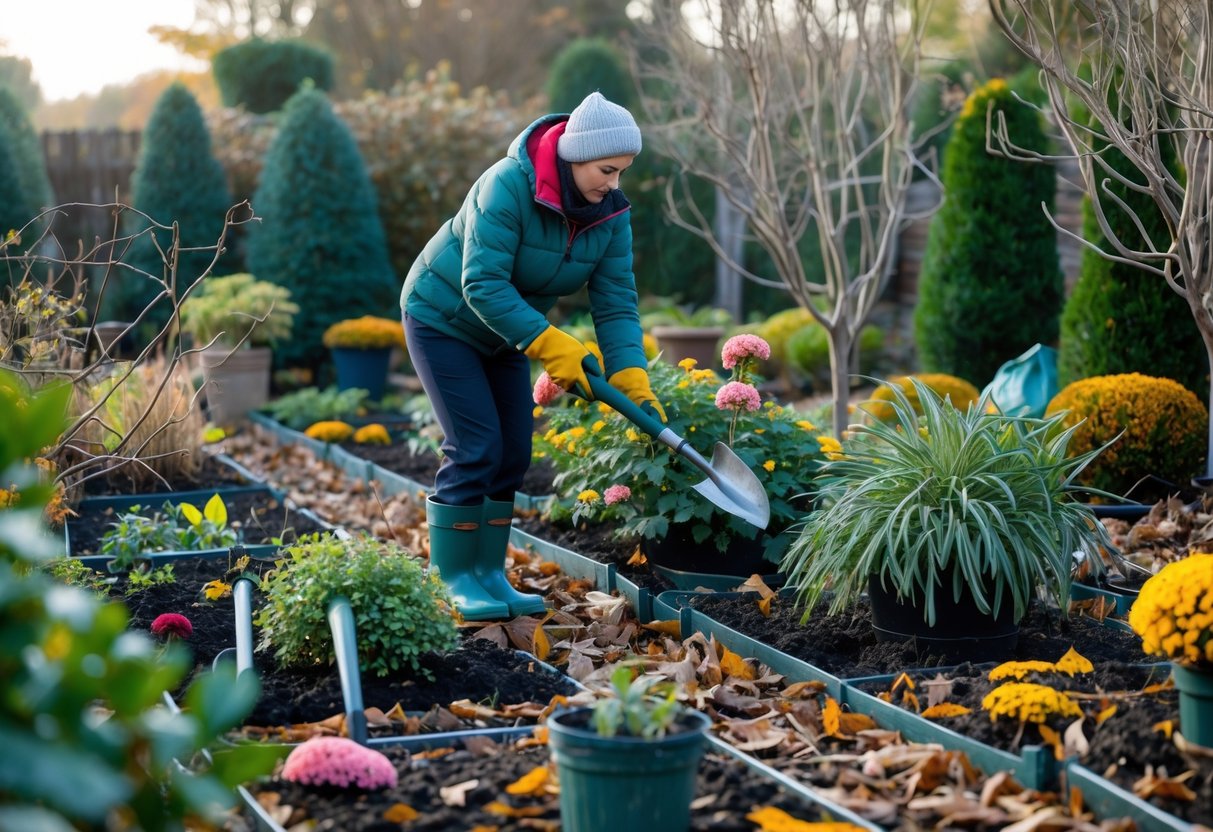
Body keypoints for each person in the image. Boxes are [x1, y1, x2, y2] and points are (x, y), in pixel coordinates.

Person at [401, 92, 665, 621]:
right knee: (475, 447)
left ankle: (489, 575)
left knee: (515, 452)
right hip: (443, 317)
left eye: (622, 172)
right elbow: (482, 282)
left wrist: (633, 377)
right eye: (606, 169)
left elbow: (615, 303)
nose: (614, 184)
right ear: (573, 156)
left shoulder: (610, 215)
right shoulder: (507, 185)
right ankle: (452, 579)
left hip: (505, 333)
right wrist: (552, 344)